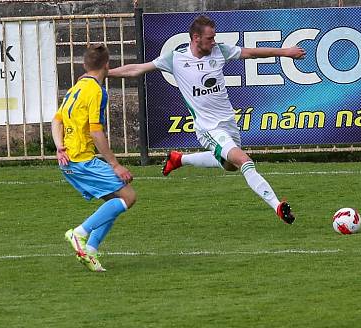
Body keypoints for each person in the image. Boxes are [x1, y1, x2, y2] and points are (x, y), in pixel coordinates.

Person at [108, 15, 305, 224]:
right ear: (195, 38)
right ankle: (277, 205)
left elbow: (251, 53)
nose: (214, 42)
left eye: (214, 37)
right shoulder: (175, 58)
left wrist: (285, 52)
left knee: (230, 166)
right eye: (210, 38)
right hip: (208, 128)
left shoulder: (219, 51)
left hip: (228, 122)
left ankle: (179, 159)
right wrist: (105, 73)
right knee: (244, 161)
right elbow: (136, 69)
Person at [52, 44, 136, 272]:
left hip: (68, 159)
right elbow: (96, 132)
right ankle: (79, 233)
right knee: (128, 196)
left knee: (114, 202)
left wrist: (59, 146)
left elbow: (56, 120)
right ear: (107, 65)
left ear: (84, 65)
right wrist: (115, 164)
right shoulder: (97, 92)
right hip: (82, 160)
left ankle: (90, 250)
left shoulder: (75, 88)